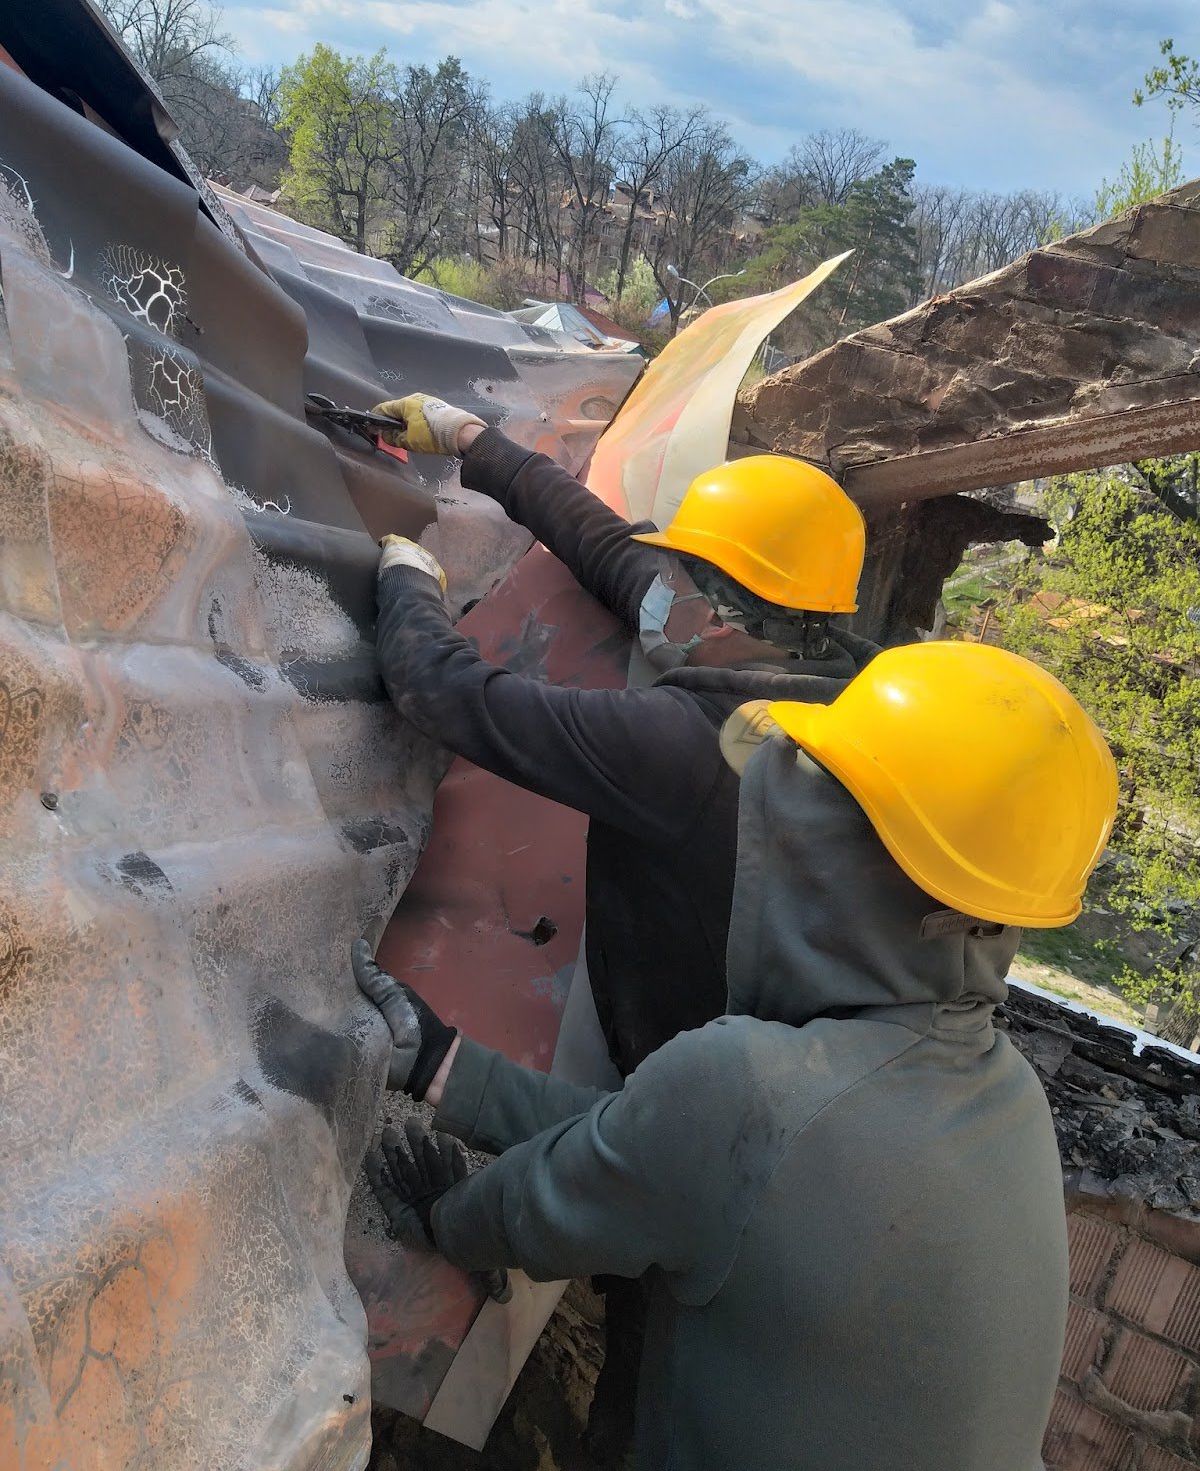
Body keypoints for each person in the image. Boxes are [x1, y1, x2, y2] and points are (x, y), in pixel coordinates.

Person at [356, 640, 1118, 1471]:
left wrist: (444, 1216)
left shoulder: (753, 1090)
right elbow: (666, 1153)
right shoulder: (1003, 1095)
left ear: (830, 856)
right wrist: (443, 1064)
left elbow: (550, 1205)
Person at [370, 391, 876, 1077]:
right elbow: (611, 552)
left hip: (700, 1081)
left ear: (721, 614)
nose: (656, 585)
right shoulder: (840, 678)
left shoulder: (692, 747)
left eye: (675, 573)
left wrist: (408, 584)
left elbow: (447, 692)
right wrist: (471, 439)